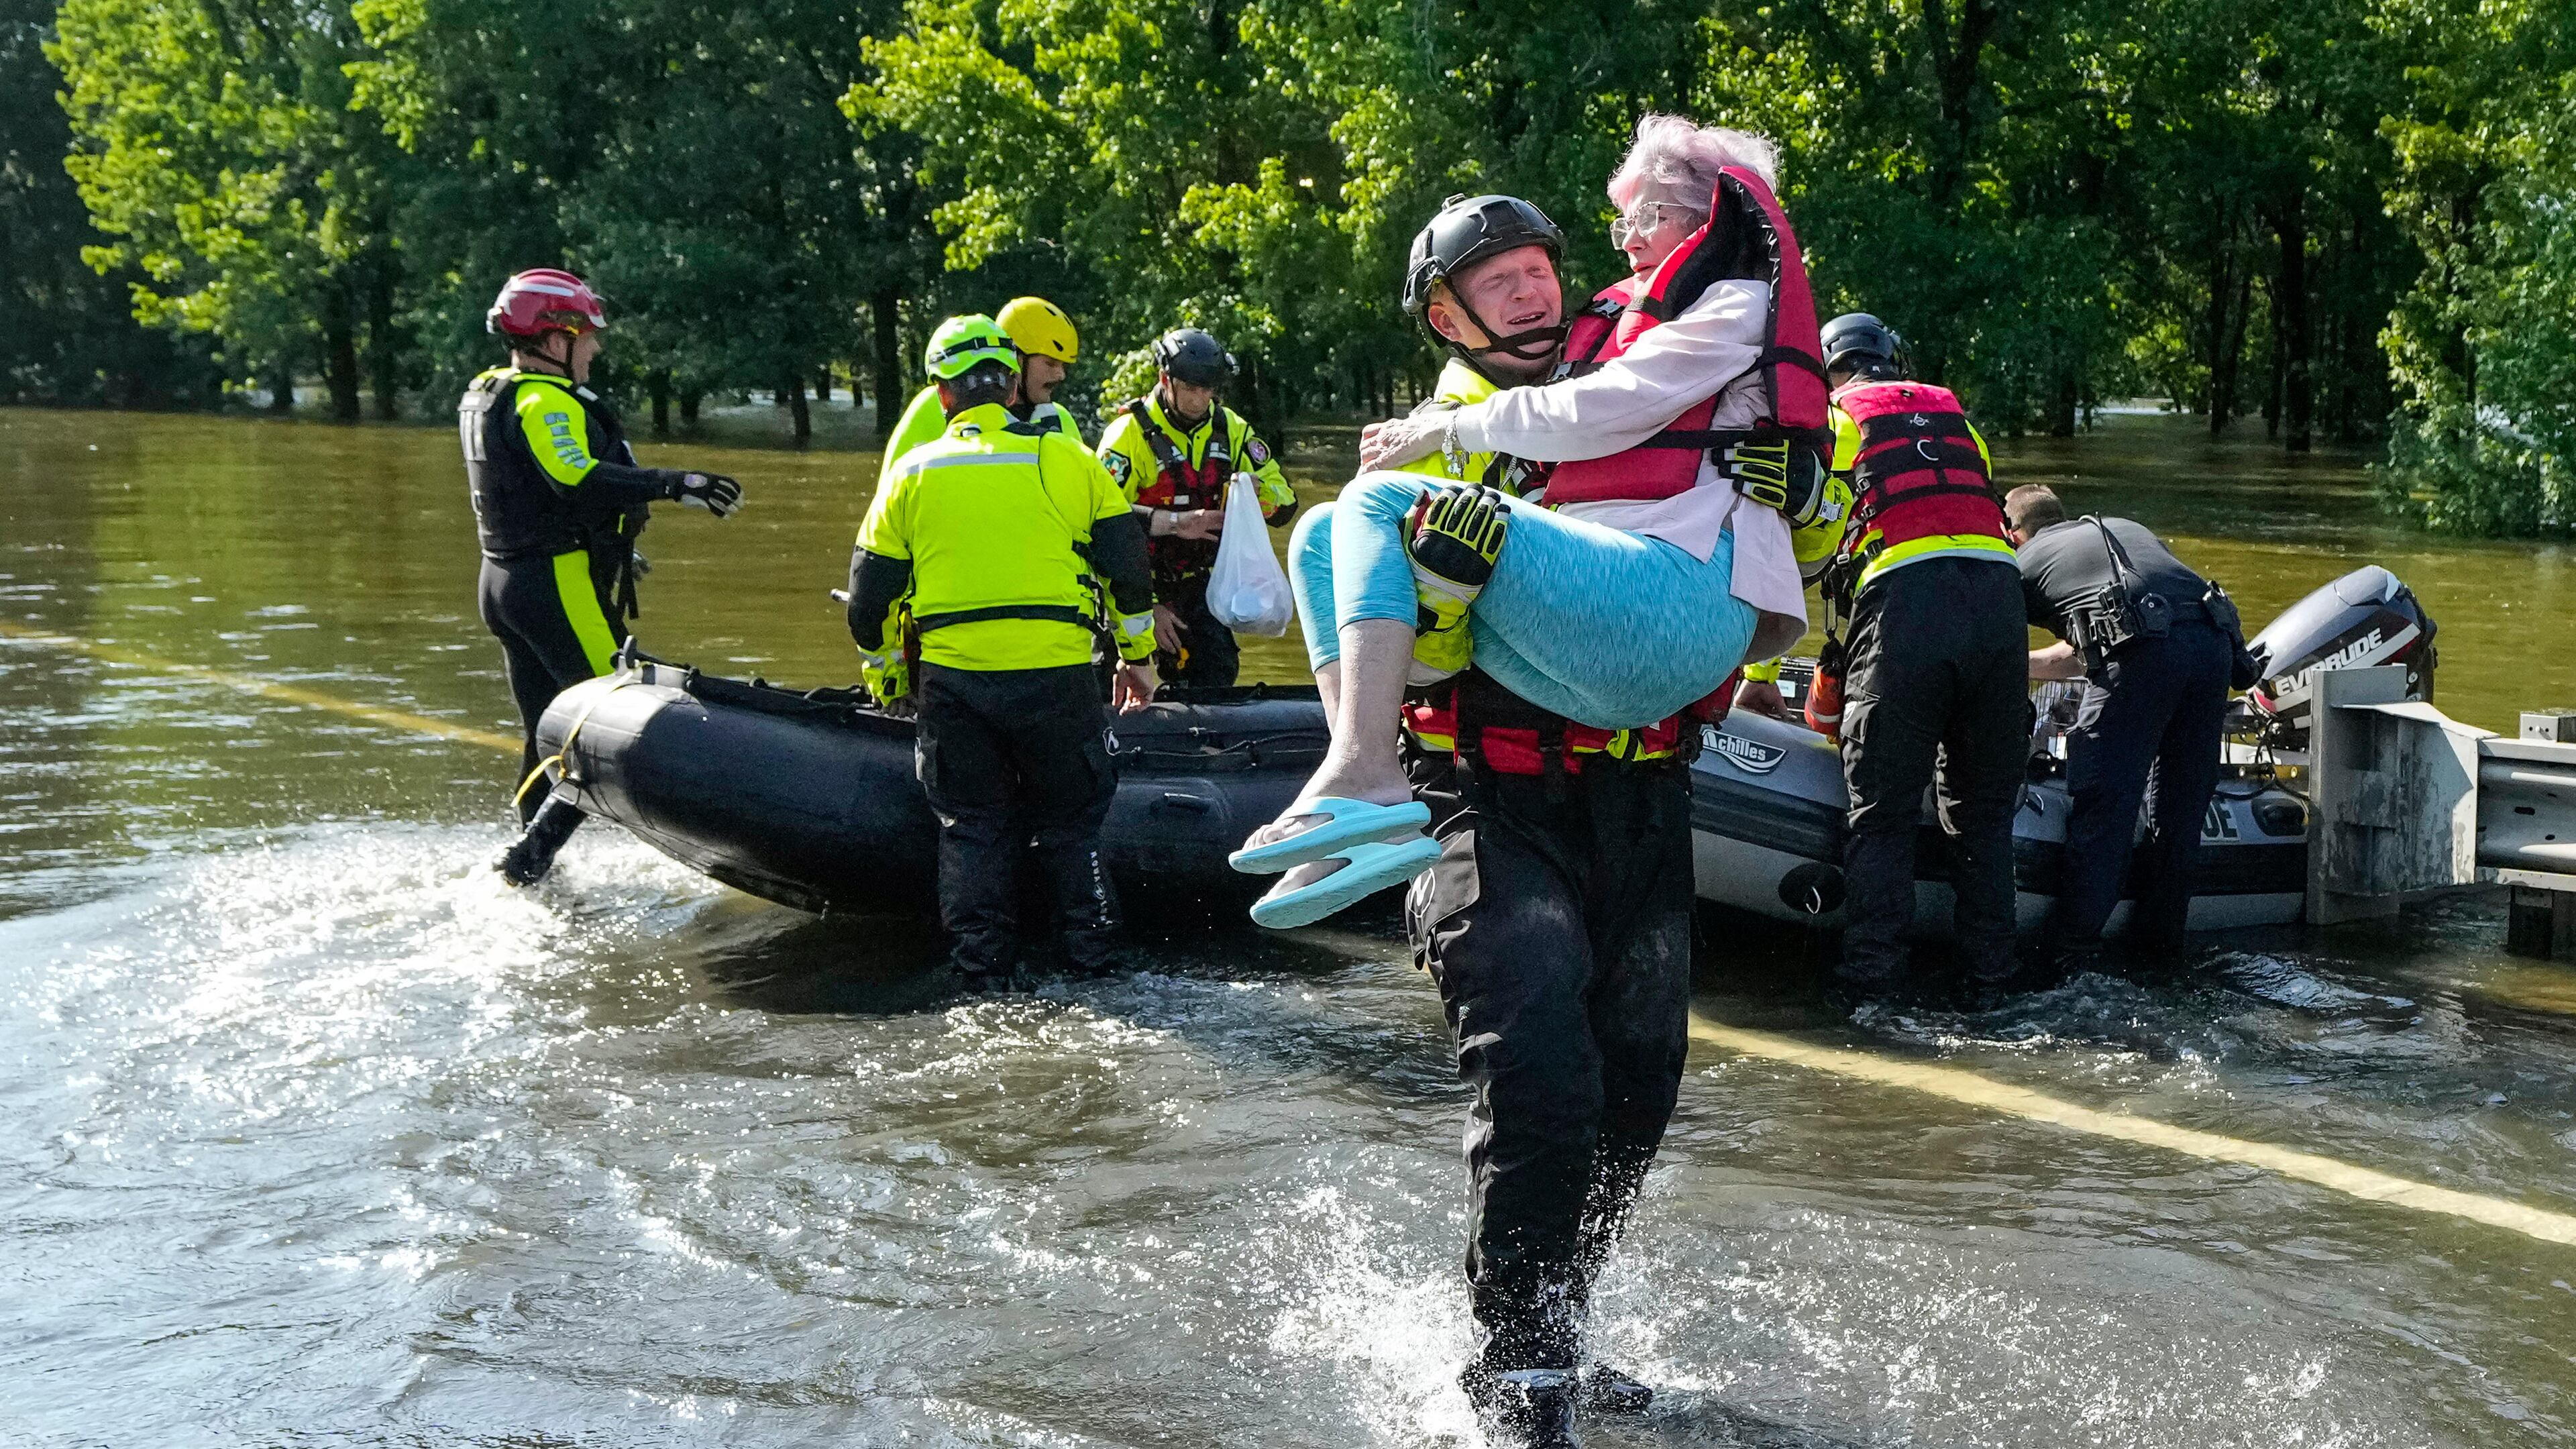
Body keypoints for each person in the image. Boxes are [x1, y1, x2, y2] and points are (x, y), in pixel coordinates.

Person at [1249, 117, 1828, 1448]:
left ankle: (1563, 1333)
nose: (1526, 284)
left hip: (1647, 793)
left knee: (1642, 1084)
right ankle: (1515, 1381)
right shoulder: (1438, 431)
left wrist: (1811, 476)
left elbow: (1779, 475)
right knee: (1544, 1083)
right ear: (1446, 318)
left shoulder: (1646, 354)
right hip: (1487, 798)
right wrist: (1445, 593)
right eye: (1490, 277)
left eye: (1535, 264)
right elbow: (1383, 589)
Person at [845, 315, 1159, 987]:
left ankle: (981, 979)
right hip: (1059, 679)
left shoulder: (911, 473)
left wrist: (889, 676)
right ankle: (1095, 970)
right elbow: (1129, 571)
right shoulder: (1066, 460)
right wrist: (1136, 656)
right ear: (1013, 382)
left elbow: (868, 604)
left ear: (940, 393)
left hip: (957, 684)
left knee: (971, 828)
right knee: (1074, 828)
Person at [463, 268, 743, 886]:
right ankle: (529, 858)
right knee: (606, 723)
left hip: (505, 582)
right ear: (551, 338)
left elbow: (528, 494)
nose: (594, 347)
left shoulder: (490, 391)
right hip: (551, 584)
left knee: (543, 728)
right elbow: (574, 477)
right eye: (585, 334)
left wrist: (615, 547)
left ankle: (528, 874)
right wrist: (679, 483)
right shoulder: (541, 400)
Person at [1802, 308, 2027, 1002]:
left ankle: (1874, 993)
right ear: (1893, 362)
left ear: (1830, 367)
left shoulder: (1834, 421)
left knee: (1882, 810)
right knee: (1985, 817)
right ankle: (1993, 982)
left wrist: (1753, 672)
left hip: (1907, 608)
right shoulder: (1960, 422)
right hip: (1999, 604)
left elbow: (1793, 542)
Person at [2009, 484, 2241, 975]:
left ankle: (2070, 958)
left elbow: (1979, 631)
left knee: (2106, 808)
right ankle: (2160, 956)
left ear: (2013, 533)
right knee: (2180, 814)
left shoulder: (2025, 561)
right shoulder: (2121, 530)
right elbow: (2107, 640)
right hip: (2213, 648)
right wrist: (2023, 664)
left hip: (2146, 657)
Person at [1094, 328, 1299, 688]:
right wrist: (1149, 607)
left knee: (1217, 673)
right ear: (1165, 380)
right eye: (1191, 388)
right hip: (1135, 588)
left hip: (1202, 589)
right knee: (1103, 678)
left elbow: (1285, 504)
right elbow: (1099, 522)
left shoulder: (1231, 429)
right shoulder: (1126, 435)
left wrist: (1255, 493)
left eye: (1209, 390)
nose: (1200, 400)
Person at [877, 298, 1085, 488]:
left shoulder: (1061, 419)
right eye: (1050, 363)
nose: (1060, 375)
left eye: (1063, 366)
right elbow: (891, 493)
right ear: (1016, 358)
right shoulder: (934, 405)